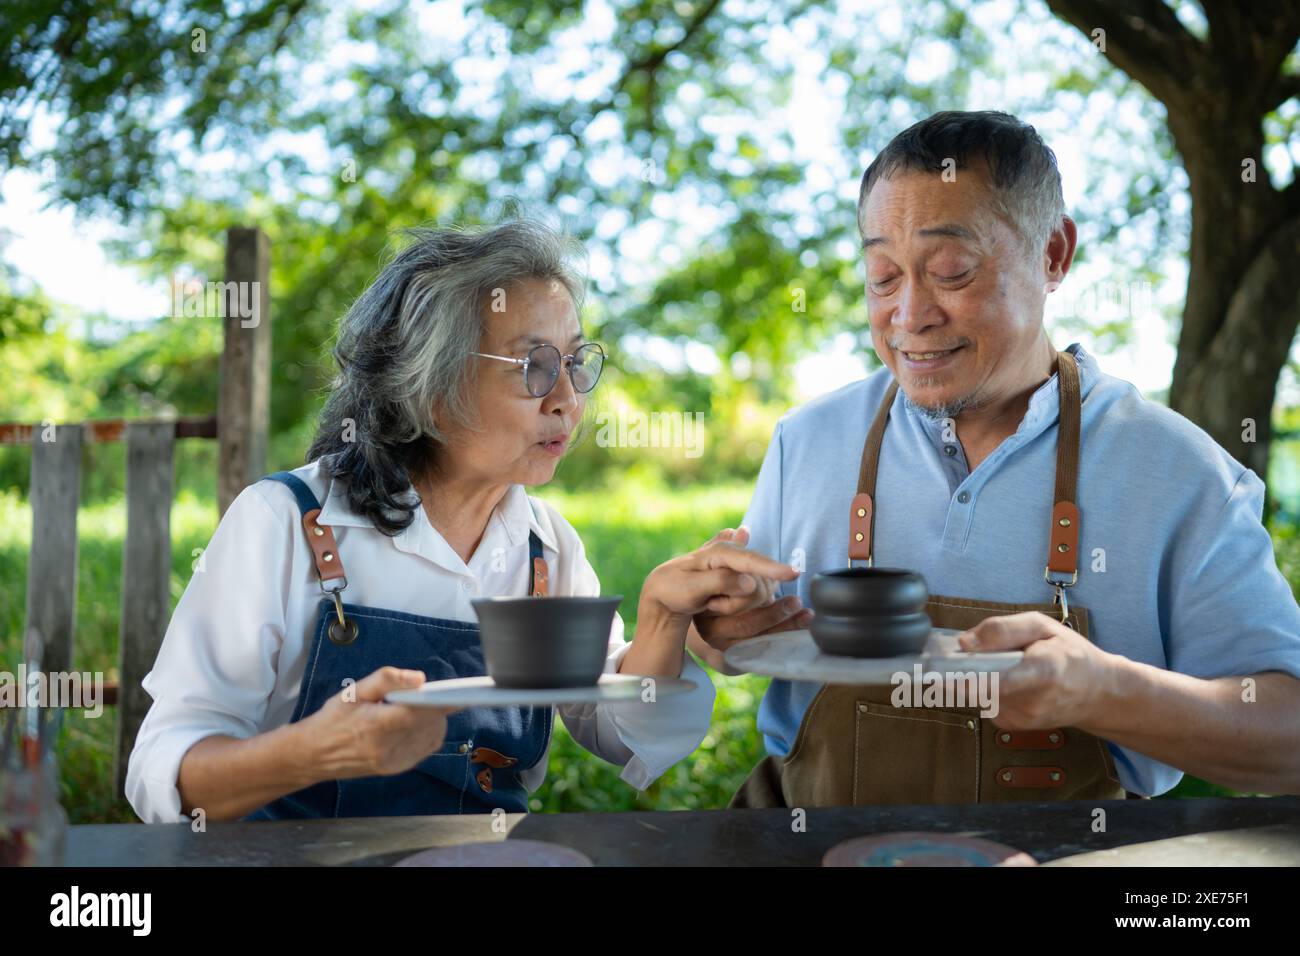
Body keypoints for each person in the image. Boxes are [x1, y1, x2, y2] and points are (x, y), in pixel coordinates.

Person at [688, 110, 1300, 806]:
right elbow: (730, 643)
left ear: (1054, 254)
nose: (910, 314)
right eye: (883, 275)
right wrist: (720, 630)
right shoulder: (808, 442)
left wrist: (1108, 692)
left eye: (952, 271)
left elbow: (1289, 739)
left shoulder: (1182, 474)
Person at [126, 218, 796, 823]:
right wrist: (313, 752)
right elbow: (164, 773)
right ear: (431, 386)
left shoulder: (545, 547)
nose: (566, 400)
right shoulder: (287, 523)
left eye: (573, 363)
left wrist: (662, 619)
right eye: (533, 366)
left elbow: (617, 730)